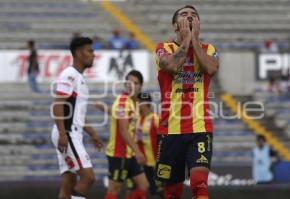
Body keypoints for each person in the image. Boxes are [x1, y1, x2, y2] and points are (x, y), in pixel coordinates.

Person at [155, 5, 219, 199]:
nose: (190, 17)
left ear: (199, 23)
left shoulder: (209, 49)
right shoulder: (163, 48)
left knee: (199, 186)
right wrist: (185, 42)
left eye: (194, 15)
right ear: (175, 25)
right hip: (170, 130)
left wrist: (195, 41)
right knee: (171, 193)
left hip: (200, 128)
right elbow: (172, 66)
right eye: (184, 15)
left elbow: (211, 69)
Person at [51, 37, 103, 199]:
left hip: (70, 131)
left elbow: (77, 115)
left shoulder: (78, 77)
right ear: (79, 53)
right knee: (88, 177)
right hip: (67, 132)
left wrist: (92, 134)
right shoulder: (70, 75)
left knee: (69, 181)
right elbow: (57, 105)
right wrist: (63, 133)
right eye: (90, 51)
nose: (93, 54)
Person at [104, 70, 149, 199]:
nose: (131, 85)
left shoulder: (134, 102)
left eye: (135, 83)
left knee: (143, 186)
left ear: (140, 86)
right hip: (119, 154)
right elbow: (123, 131)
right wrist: (138, 151)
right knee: (114, 190)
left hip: (129, 154)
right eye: (129, 82)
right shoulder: (123, 102)